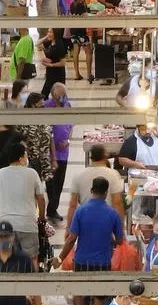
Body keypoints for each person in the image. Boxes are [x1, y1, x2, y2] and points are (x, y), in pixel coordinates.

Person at [0, 137, 47, 266]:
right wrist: (42, 218)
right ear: (21, 158)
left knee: (7, 261)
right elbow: (41, 198)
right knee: (31, 261)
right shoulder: (32, 174)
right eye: (26, 155)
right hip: (28, 225)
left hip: (6, 227)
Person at [67, 176, 123, 271]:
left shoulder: (80, 211)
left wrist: (60, 258)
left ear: (91, 190)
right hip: (103, 263)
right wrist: (110, 240)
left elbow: (71, 238)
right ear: (106, 192)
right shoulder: (113, 214)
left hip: (82, 262)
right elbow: (120, 240)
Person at [64, 144, 125, 228]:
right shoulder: (113, 174)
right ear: (104, 156)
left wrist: (68, 228)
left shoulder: (79, 175)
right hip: (106, 221)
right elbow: (117, 203)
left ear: (91, 157)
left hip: (85, 220)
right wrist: (120, 228)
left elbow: (73, 205)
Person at [43, 85, 73, 225]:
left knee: (59, 184)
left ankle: (52, 209)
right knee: (51, 184)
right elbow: (46, 131)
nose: (62, 98)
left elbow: (71, 126)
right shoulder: (46, 107)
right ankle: (51, 209)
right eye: (60, 95)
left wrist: (68, 140)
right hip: (51, 154)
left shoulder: (67, 105)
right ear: (53, 94)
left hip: (64, 152)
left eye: (64, 95)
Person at [20, 93, 53, 183]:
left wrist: (53, 159)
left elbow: (50, 137)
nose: (43, 106)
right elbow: (19, 140)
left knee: (40, 185)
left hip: (44, 160)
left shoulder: (44, 118)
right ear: (33, 105)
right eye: (40, 104)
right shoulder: (22, 120)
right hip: (30, 160)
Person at [39, 28, 69, 99]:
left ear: (56, 34)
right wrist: (47, 36)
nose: (49, 33)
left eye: (51, 32)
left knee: (59, 96)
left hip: (58, 74)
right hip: (50, 73)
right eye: (48, 32)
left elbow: (63, 63)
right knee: (44, 95)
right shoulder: (49, 42)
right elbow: (37, 44)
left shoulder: (60, 46)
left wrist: (51, 65)